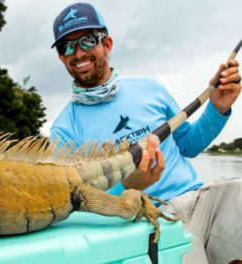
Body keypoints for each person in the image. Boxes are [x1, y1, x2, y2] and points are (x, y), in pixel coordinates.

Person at [49, 3, 242, 264]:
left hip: (201, 200)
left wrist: (217, 108)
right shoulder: (64, 130)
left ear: (107, 44)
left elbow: (189, 145)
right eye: (67, 47)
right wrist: (128, 187)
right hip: (154, 220)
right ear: (61, 57)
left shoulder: (151, 89)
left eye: (88, 40)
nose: (78, 52)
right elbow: (76, 201)